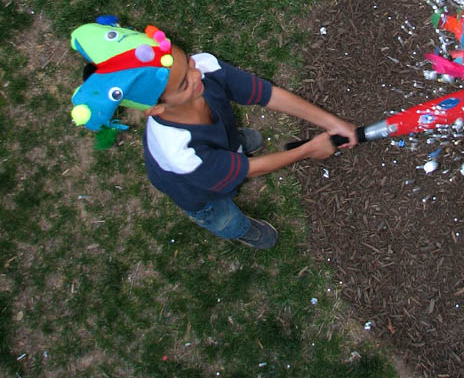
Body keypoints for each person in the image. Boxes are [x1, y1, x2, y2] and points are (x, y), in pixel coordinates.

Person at [70, 18, 356, 249]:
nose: (197, 75)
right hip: (197, 190)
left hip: (213, 151)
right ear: (156, 110)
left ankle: (232, 144)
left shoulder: (204, 69)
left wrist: (331, 122)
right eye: (184, 84)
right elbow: (247, 170)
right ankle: (240, 229)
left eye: (188, 63)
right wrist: (307, 150)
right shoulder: (181, 156)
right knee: (223, 217)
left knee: (231, 146)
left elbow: (266, 94)